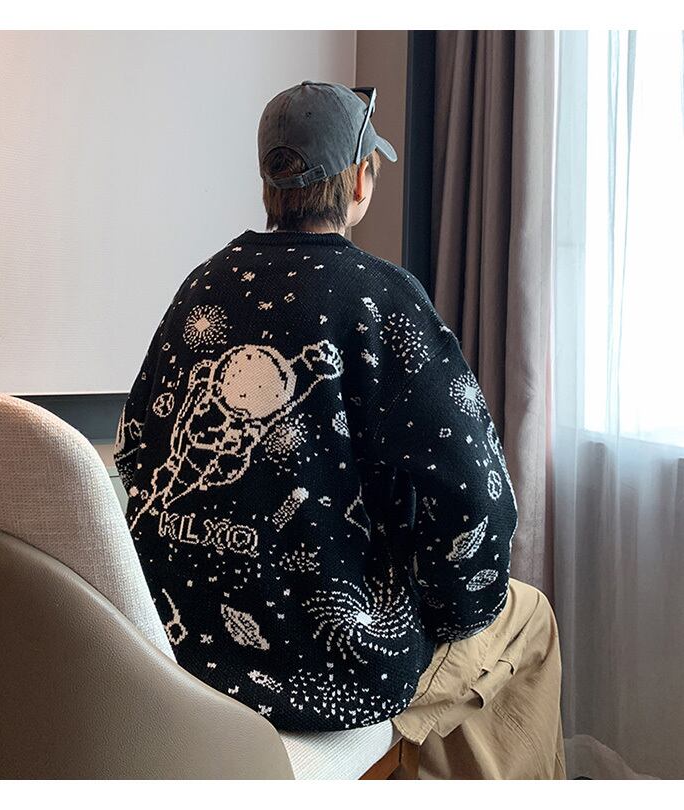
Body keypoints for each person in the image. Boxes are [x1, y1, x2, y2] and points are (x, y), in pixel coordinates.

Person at [114, 80, 565, 779]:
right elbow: (474, 498)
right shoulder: (383, 298)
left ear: (269, 182)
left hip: (178, 654)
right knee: (525, 619)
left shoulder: (200, 287)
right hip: (329, 674)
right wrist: (454, 611)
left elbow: (135, 453)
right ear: (358, 181)